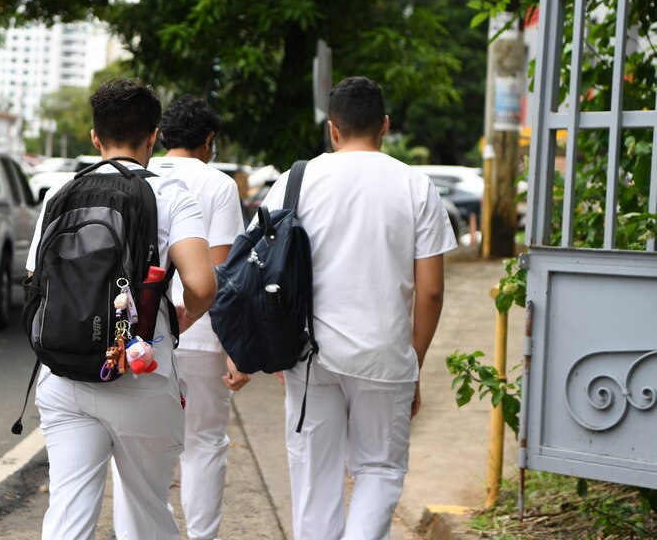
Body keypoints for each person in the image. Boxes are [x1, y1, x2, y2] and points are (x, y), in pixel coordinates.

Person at [259, 76, 456, 540]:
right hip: (384, 356)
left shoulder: (295, 181)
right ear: (384, 126)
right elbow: (430, 292)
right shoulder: (415, 185)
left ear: (333, 129)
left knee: (313, 477)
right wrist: (414, 363)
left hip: (309, 354)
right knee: (379, 471)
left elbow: (258, 266)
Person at [26, 78, 217, 540]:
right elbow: (202, 283)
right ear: (154, 135)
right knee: (148, 509)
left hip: (63, 375)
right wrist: (183, 318)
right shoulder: (170, 195)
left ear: (96, 137)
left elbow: (35, 281)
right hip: (141, 372)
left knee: (68, 516)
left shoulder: (61, 195)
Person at [112, 95, 250, 540]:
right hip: (202, 331)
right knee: (204, 444)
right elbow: (222, 270)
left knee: (133, 449)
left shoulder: (135, 176)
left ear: (161, 135)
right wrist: (236, 349)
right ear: (208, 140)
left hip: (140, 332)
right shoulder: (219, 184)